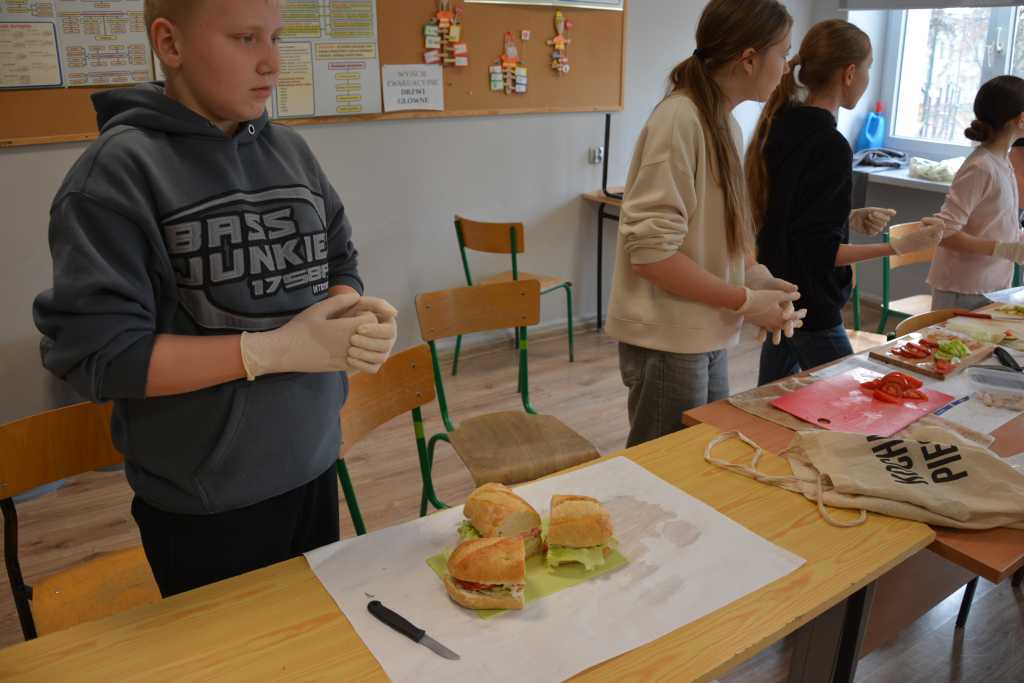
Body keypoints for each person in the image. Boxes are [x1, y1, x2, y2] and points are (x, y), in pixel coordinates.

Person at [32, 0, 397, 597]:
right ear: (170, 45)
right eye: (245, 38)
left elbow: (340, 260)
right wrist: (268, 351)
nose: (272, 62)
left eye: (277, 38)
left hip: (312, 462)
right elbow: (103, 355)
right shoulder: (116, 176)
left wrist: (349, 313)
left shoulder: (291, 152)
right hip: (207, 501)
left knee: (312, 633)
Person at [605, 0, 804, 447]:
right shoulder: (680, 120)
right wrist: (745, 300)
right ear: (748, 59)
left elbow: (720, 235)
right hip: (670, 339)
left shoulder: (723, 124)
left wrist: (755, 277)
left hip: (705, 333)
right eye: (783, 53)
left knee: (701, 456)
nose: (787, 67)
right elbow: (652, 257)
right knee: (664, 468)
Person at [746, 19, 942, 385]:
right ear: (849, 74)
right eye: (868, 68)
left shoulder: (783, 124)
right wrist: (898, 245)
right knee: (850, 397)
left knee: (770, 399)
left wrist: (846, 216)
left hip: (782, 294)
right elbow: (822, 252)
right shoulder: (830, 145)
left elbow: (791, 216)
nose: (867, 79)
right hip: (812, 306)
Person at [922, 75, 1024, 311]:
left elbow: (994, 223)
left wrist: (1017, 240)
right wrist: (1002, 249)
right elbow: (945, 233)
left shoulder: (1002, 161)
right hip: (962, 289)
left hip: (992, 286)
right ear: (1021, 119)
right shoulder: (980, 167)